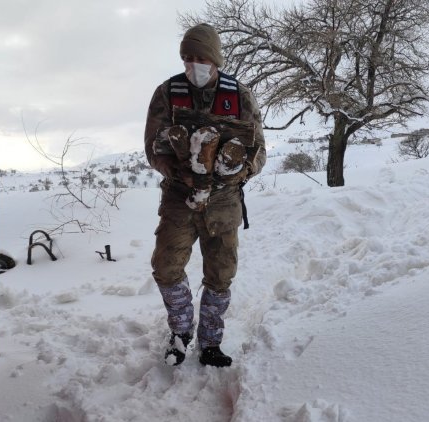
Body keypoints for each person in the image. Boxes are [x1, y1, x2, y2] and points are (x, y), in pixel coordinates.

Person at [144, 23, 266, 367]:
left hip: (224, 200)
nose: (193, 65)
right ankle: (181, 331)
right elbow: (153, 148)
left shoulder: (239, 95)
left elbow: (259, 150)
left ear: (215, 59)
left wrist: (240, 172)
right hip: (179, 196)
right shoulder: (167, 93)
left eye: (200, 58)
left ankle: (210, 342)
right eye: (187, 58)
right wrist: (177, 170)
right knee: (166, 267)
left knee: (221, 274)